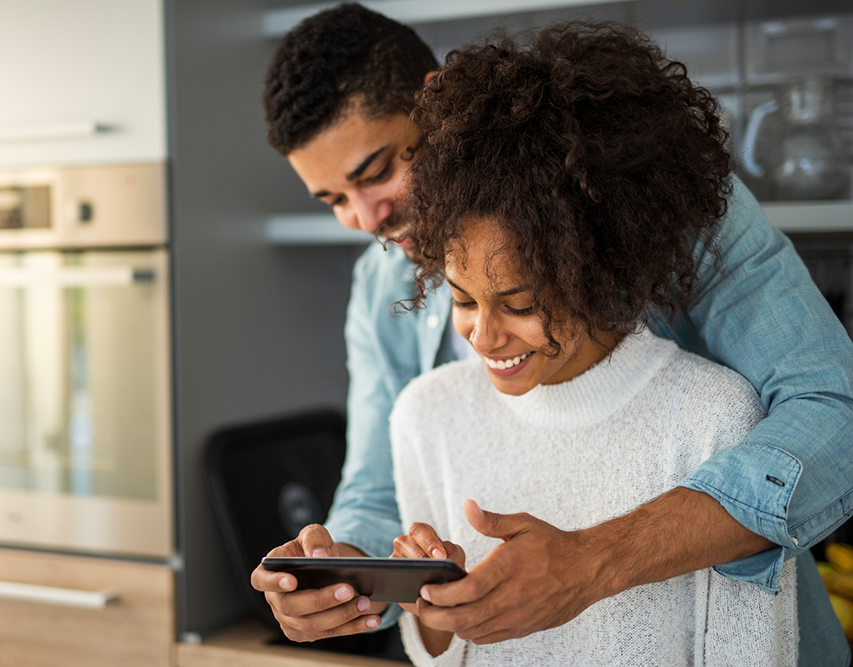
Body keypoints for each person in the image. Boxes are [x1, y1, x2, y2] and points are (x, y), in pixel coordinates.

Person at [250, 3, 853, 664]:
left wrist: (597, 558)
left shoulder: (661, 204)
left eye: (375, 172)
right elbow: (375, 492)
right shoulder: (380, 287)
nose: (365, 219)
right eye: (334, 199)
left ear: (433, 103)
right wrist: (340, 566)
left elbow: (834, 407)